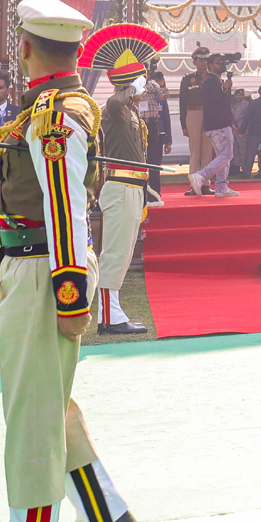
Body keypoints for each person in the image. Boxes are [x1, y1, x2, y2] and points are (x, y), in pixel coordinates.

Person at [0, 0, 142, 522]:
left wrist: (70, 292)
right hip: (36, 266)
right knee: (48, 401)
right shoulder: (54, 106)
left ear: (25, 47)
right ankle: (102, 513)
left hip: (43, 269)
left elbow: (65, 206)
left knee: (31, 410)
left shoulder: (55, 114)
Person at [81, 25, 163, 337]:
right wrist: (129, 84)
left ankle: (112, 311)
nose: (146, 84)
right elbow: (116, 100)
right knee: (115, 252)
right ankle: (108, 316)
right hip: (119, 186)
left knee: (124, 252)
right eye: (141, 78)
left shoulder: (131, 111)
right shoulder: (115, 107)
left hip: (133, 187)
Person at [186, 56, 239, 197]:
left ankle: (221, 186)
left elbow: (224, 105)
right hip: (218, 124)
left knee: (222, 156)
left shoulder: (216, 81)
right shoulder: (210, 81)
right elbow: (210, 100)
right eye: (218, 63)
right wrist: (224, 88)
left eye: (223, 62)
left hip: (221, 123)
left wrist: (231, 122)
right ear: (210, 65)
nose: (222, 65)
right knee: (227, 155)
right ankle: (201, 175)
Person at [139, 72, 172, 203]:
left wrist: (162, 84)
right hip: (139, 124)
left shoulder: (153, 85)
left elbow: (164, 96)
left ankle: (155, 194)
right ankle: (141, 193)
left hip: (152, 124)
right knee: (141, 160)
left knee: (153, 161)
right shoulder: (134, 85)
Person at [179, 48, 209, 177]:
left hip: (209, 114)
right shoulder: (188, 79)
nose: (204, 63)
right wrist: (183, 125)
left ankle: (206, 181)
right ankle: (194, 179)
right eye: (200, 60)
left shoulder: (213, 78)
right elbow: (182, 102)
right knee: (195, 149)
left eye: (206, 60)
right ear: (194, 62)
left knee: (208, 150)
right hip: (193, 113)